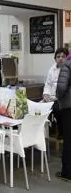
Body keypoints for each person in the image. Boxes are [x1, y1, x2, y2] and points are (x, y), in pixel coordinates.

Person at [43, 48, 68, 139]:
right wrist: (46, 94)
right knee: (41, 108)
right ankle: (47, 132)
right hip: (52, 98)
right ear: (55, 59)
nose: (60, 58)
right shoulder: (52, 69)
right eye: (58, 57)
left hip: (64, 99)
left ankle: (62, 132)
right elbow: (48, 84)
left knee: (59, 110)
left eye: (63, 56)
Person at [55, 54, 71, 182]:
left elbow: (61, 87)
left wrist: (59, 97)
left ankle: (67, 172)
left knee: (68, 139)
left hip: (69, 106)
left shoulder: (68, 65)